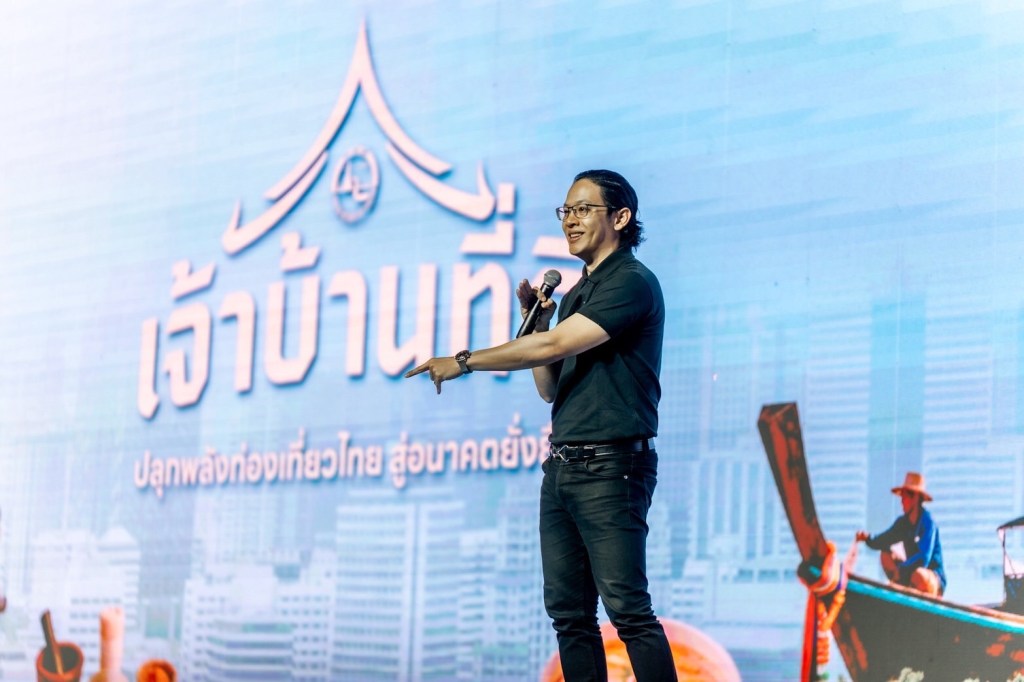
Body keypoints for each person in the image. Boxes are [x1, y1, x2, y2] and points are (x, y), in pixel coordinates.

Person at [405, 169, 676, 681]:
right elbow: (550, 386)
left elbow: (551, 347)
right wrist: (544, 322)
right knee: (570, 617)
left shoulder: (631, 282)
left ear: (621, 218)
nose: (570, 220)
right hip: (563, 469)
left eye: (583, 210)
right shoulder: (576, 293)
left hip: (611, 468)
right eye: (566, 211)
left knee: (628, 610)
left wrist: (463, 361)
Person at [855, 471, 946, 596]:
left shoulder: (928, 522)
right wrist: (867, 538)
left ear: (915, 498)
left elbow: (923, 558)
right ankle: (899, 586)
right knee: (885, 554)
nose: (902, 502)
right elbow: (883, 540)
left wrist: (901, 569)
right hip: (910, 573)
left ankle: (903, 584)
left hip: (930, 578)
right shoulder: (903, 523)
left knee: (919, 575)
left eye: (904, 497)